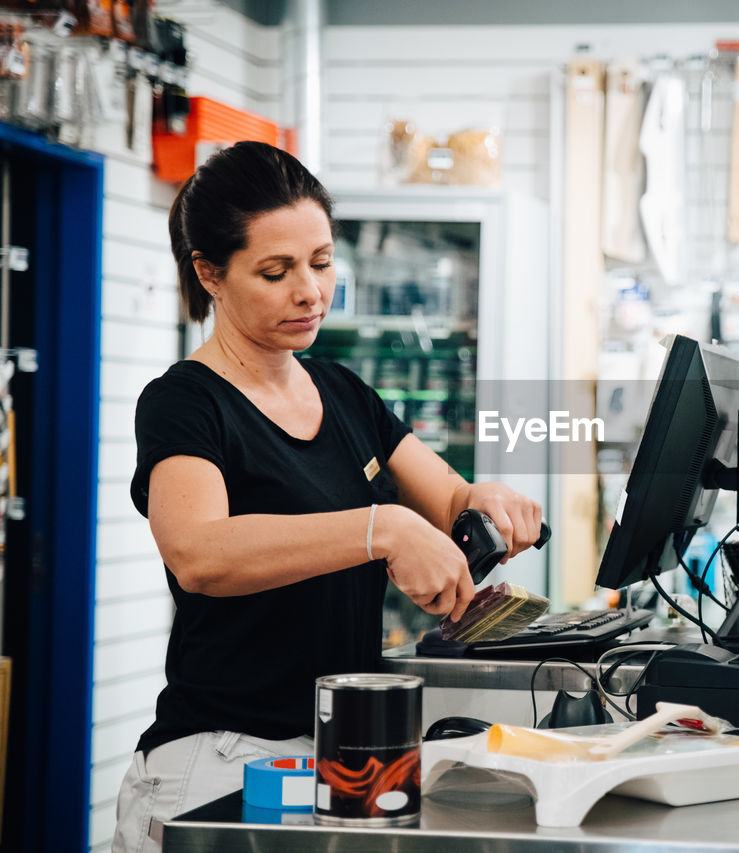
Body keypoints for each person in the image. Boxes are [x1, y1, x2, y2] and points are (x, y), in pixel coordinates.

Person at [112, 141, 543, 853]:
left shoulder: (341, 391)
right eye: (276, 272)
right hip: (221, 759)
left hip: (343, 756)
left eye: (321, 261)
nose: (310, 291)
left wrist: (488, 498)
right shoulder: (185, 402)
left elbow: (449, 496)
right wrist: (380, 529)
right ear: (210, 274)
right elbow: (198, 553)